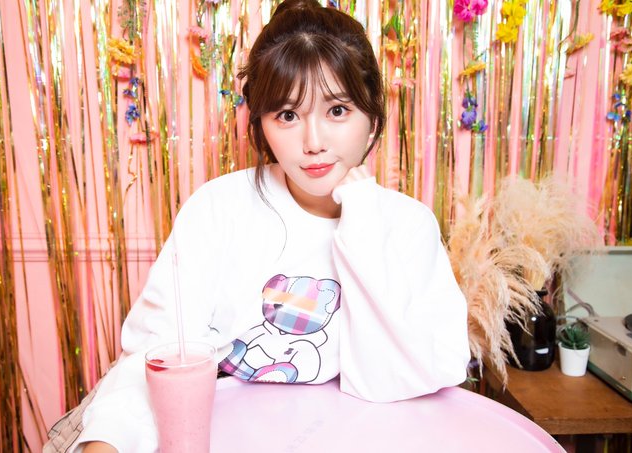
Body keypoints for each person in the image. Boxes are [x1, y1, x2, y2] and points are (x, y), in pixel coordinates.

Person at [58, 0, 470, 451]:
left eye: (337, 110)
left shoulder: (407, 226)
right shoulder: (219, 208)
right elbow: (159, 352)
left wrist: (362, 220)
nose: (313, 143)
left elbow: (407, 373)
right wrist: (108, 441)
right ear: (261, 123)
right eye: (287, 115)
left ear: (372, 116)